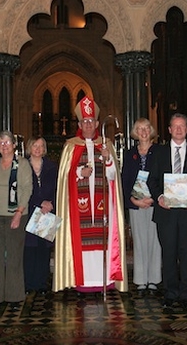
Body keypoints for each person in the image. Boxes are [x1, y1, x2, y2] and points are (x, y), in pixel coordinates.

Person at [53, 95, 128, 293]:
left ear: (96, 123)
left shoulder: (106, 144)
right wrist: (79, 173)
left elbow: (114, 176)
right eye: (84, 121)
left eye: (91, 121)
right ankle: (83, 282)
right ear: (80, 123)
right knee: (83, 240)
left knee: (101, 239)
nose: (88, 125)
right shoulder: (71, 146)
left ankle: (104, 280)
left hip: (103, 202)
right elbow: (64, 178)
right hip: (80, 206)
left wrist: (108, 159)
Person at [148, 113, 187, 312]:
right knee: (169, 254)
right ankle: (170, 293)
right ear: (170, 129)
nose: (179, 129)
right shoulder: (159, 152)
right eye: (175, 126)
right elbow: (152, 180)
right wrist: (159, 198)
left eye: (183, 126)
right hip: (166, 212)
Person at [0, 131, 33, 309]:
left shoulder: (22, 164)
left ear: (14, 145)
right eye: (1, 143)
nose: (4, 146)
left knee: (14, 257)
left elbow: (27, 189)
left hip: (16, 215)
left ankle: (14, 297)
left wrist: (18, 213)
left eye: (7, 142)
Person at [121, 118, 162, 296]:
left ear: (151, 130)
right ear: (135, 132)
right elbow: (125, 180)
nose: (144, 131)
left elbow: (163, 176)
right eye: (140, 128)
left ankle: (153, 279)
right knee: (139, 241)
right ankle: (140, 280)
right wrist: (134, 200)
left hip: (155, 202)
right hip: (136, 203)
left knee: (155, 241)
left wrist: (154, 197)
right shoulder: (130, 154)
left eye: (146, 128)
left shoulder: (160, 151)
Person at [24, 136, 58, 294]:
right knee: (30, 249)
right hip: (29, 211)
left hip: (47, 212)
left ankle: (41, 283)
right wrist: (39, 202)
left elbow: (58, 188)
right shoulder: (22, 166)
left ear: (44, 149)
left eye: (41, 146)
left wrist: (50, 203)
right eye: (34, 145)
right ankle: (29, 283)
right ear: (29, 147)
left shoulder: (52, 167)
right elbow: (22, 190)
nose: (38, 149)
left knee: (44, 250)